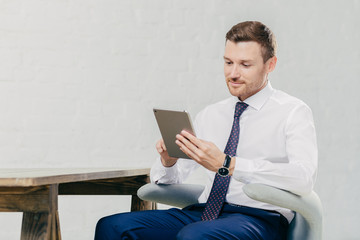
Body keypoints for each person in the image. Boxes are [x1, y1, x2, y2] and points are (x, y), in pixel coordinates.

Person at [94, 21, 318, 240]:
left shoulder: (293, 111)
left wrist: (228, 164)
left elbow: (303, 178)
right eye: (228, 62)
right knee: (113, 226)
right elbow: (168, 180)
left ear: (270, 65)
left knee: (195, 235)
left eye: (245, 65)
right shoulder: (211, 114)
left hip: (259, 218)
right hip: (203, 212)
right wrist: (168, 161)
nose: (233, 73)